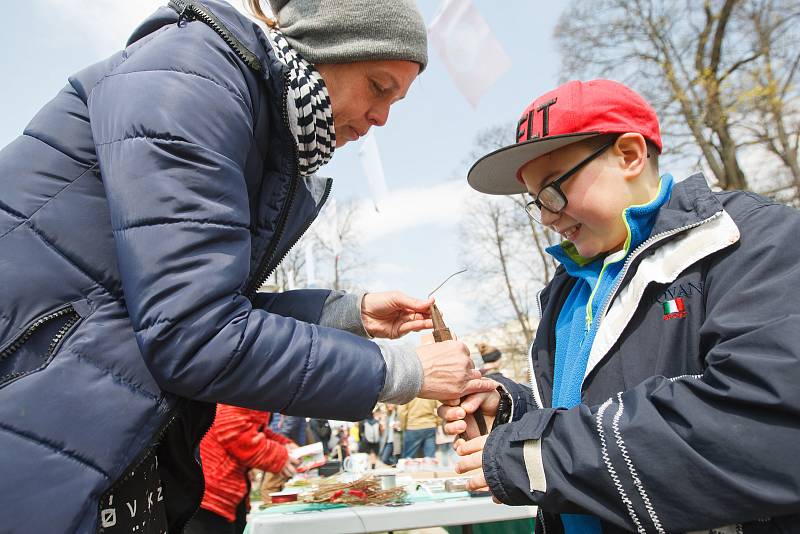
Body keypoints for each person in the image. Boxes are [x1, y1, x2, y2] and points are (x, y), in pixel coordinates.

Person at [0, 1, 495, 531]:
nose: (382, 117)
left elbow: (187, 306)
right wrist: (405, 369)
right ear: (328, 47)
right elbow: (193, 334)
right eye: (378, 86)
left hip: (80, 430)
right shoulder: (191, 81)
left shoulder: (249, 122)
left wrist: (349, 315)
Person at [440, 79, 800, 533]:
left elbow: (763, 421)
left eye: (553, 191)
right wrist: (513, 413)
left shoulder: (750, 243)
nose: (548, 217)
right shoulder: (569, 290)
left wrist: (532, 454)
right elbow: (590, 414)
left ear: (629, 155)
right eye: (537, 203)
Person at [184, 404, 298, 534]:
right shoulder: (241, 392)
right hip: (211, 493)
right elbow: (232, 429)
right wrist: (277, 455)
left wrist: (284, 444)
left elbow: (257, 430)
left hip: (226, 492)